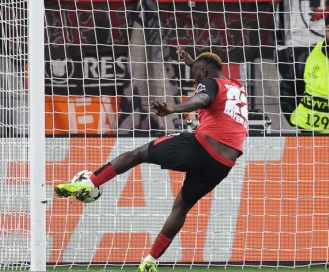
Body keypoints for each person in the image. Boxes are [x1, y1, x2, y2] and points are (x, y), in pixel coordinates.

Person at [54, 49, 248, 272]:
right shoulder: (237, 86)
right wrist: (192, 63)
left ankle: (89, 183)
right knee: (181, 208)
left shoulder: (207, 82)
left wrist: (172, 108)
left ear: (204, 72)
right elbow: (210, 77)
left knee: (138, 154)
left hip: (202, 146)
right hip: (223, 164)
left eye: (196, 75)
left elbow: (204, 97)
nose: (195, 80)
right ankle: (150, 261)